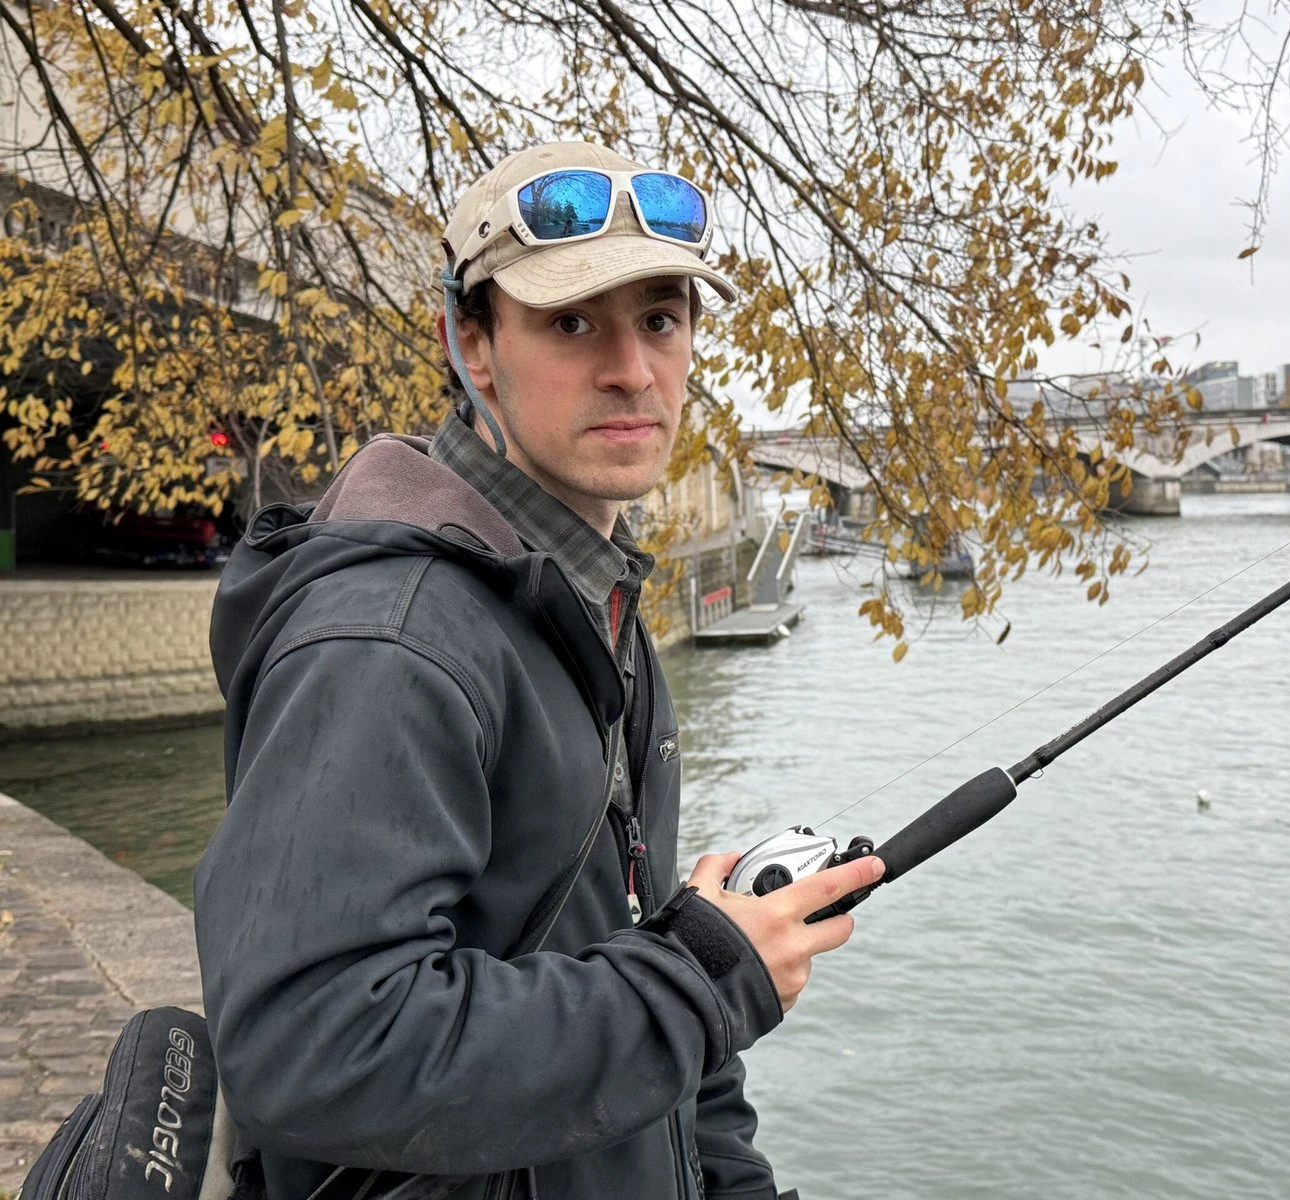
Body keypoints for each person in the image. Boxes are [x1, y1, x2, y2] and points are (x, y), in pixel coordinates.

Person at [194, 139, 883, 1200]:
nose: (632, 368)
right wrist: (701, 979)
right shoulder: (393, 638)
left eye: (660, 318)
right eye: (572, 323)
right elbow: (311, 1048)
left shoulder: (588, 599)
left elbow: (647, 978)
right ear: (470, 345)